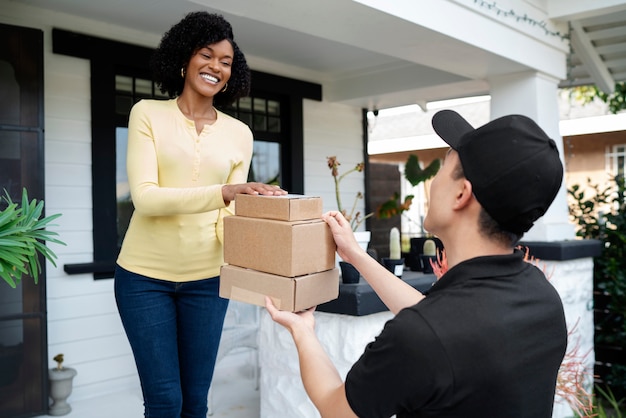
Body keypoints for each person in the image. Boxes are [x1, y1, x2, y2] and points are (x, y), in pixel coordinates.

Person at [266, 110, 568, 417]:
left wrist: (303, 330)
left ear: (461, 194)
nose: (432, 181)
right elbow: (438, 319)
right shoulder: (542, 297)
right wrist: (355, 255)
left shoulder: (422, 336)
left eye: (441, 167)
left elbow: (337, 408)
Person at [114, 11, 286, 418]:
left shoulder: (239, 133)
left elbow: (226, 219)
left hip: (207, 282)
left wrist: (267, 254)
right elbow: (146, 199)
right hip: (143, 280)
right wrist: (225, 192)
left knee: (196, 404)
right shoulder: (147, 114)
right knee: (165, 402)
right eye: (206, 55)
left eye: (225, 62)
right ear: (184, 57)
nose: (215, 67)